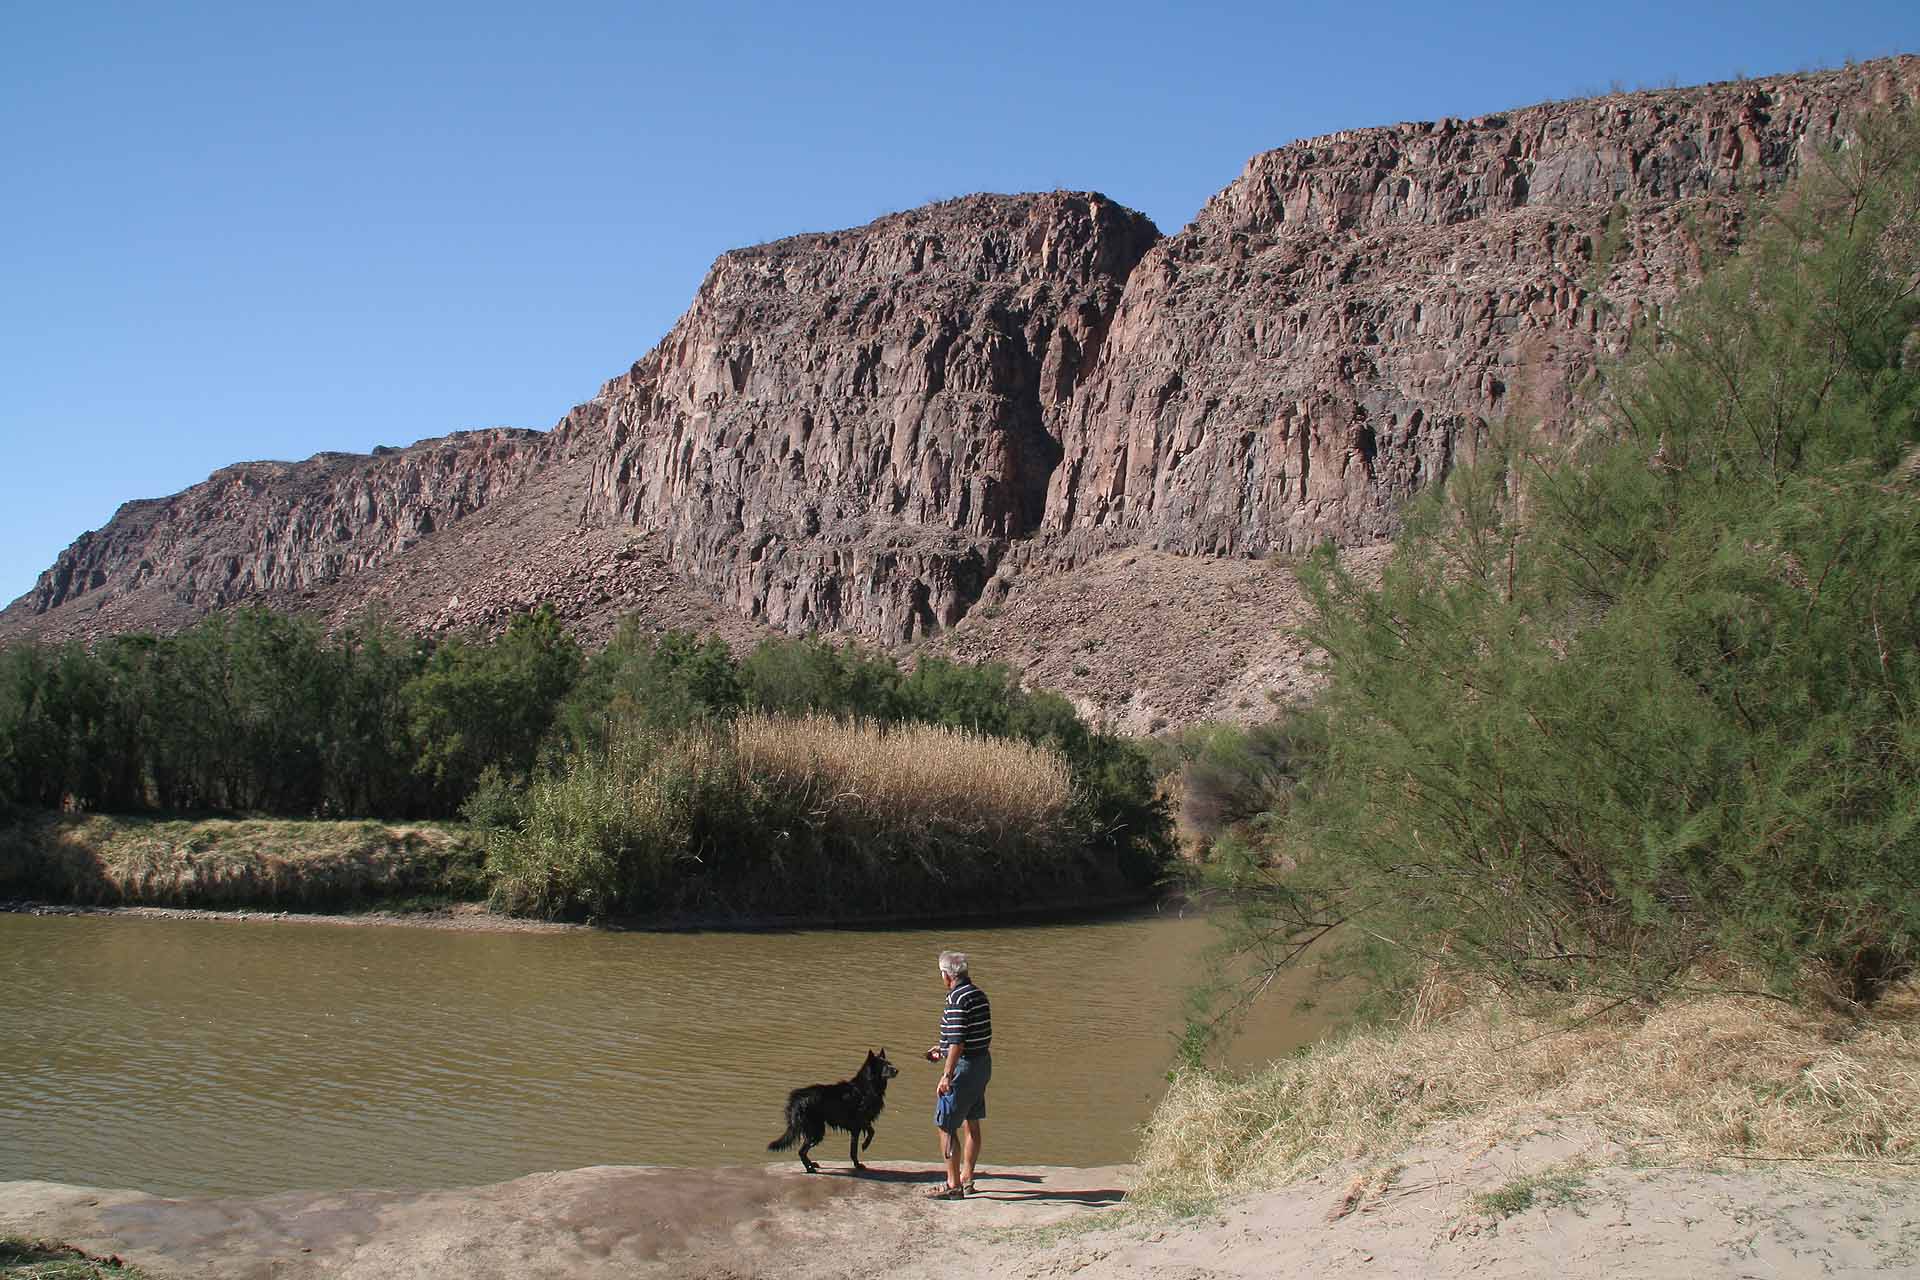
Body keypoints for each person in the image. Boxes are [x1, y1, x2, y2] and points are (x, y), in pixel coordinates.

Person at [924, 949, 991, 1200]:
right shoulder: (978, 995)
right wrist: (941, 1049)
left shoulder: (956, 999)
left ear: (947, 975)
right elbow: (969, 1035)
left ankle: (952, 1184)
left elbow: (958, 1043)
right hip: (982, 1064)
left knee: (946, 1125)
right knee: (971, 1121)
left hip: (962, 1067)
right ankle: (967, 1178)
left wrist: (946, 1074)